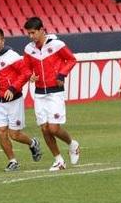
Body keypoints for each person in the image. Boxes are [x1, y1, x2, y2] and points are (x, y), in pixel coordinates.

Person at [23, 17, 80, 171]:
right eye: (28, 33)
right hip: (40, 92)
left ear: (42, 30)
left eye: (33, 33)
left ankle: (72, 144)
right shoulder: (29, 49)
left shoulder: (57, 45)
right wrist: (30, 75)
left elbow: (71, 60)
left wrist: (61, 74)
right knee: (44, 128)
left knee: (54, 128)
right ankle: (59, 160)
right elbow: (26, 67)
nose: (31, 36)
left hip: (55, 91)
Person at [0, 27, 42, 171]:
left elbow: (26, 73)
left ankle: (33, 143)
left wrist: (12, 88)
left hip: (14, 100)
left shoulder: (12, 56)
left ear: (3, 41)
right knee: (1, 131)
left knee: (14, 134)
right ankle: (12, 161)